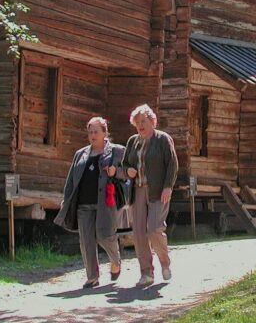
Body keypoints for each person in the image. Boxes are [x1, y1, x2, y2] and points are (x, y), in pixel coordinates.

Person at [54, 117, 125, 288]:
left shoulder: (117, 151)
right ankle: (92, 276)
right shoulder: (81, 154)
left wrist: (116, 171)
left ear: (105, 132)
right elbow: (71, 180)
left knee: (105, 236)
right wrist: (67, 199)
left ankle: (116, 261)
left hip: (106, 202)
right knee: (86, 240)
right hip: (83, 204)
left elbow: (127, 173)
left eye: (96, 132)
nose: (93, 135)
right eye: (90, 132)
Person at [114, 104, 178, 288]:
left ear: (152, 121)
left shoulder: (163, 139)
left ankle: (164, 261)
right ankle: (146, 272)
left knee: (154, 228)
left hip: (158, 190)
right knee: (139, 233)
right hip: (138, 190)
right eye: (137, 122)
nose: (140, 125)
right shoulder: (133, 141)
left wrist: (168, 186)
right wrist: (129, 171)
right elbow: (124, 166)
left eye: (143, 121)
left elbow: (172, 165)